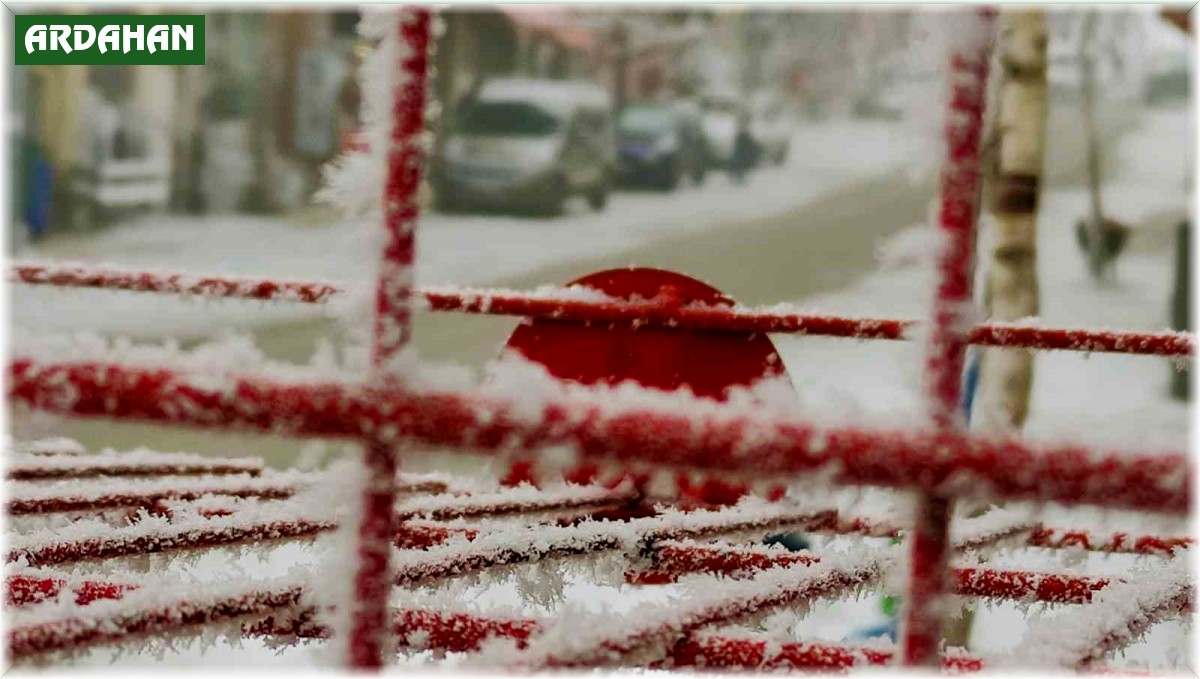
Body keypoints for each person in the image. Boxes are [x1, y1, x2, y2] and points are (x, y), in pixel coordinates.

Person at [729, 112, 759, 184]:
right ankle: (737, 174)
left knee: (741, 157)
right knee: (739, 157)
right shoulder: (740, 121)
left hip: (743, 135)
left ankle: (739, 174)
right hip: (741, 136)